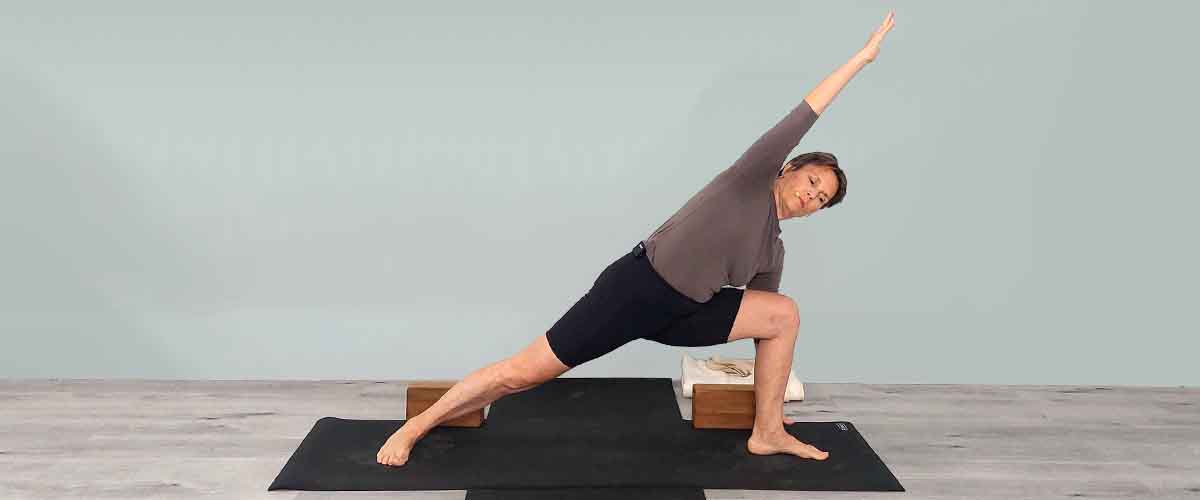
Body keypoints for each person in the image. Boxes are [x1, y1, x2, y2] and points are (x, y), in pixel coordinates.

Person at [379, 10, 895, 467]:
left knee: (783, 312)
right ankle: (418, 424)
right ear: (788, 169)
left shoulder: (771, 249)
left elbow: (754, 316)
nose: (812, 196)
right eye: (812, 182)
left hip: (685, 313)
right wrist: (862, 60)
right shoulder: (750, 177)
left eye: (822, 199)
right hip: (636, 290)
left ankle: (768, 432)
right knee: (524, 374)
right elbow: (806, 111)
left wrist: (756, 380)